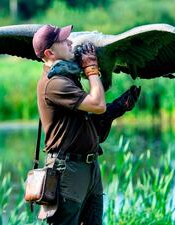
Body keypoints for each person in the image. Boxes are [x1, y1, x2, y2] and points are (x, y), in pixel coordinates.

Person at [33, 24, 141, 225]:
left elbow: (83, 125)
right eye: (63, 41)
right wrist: (92, 69)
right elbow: (97, 104)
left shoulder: (67, 77)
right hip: (67, 171)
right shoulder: (55, 83)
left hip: (88, 168)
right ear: (49, 52)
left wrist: (116, 108)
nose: (71, 42)